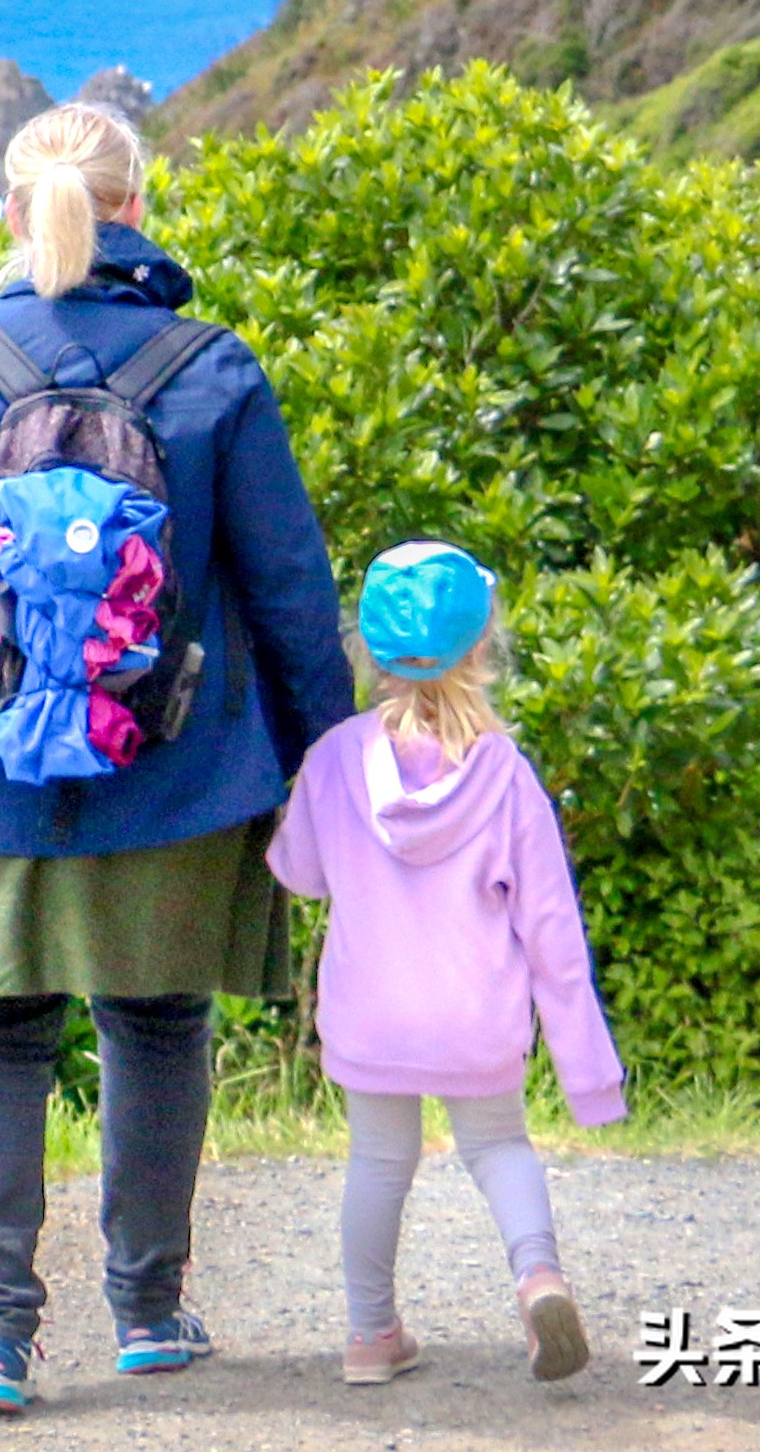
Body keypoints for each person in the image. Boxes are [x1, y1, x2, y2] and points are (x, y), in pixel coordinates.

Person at [0, 101, 351, 1416]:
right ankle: (146, 1305)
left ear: (10, 212)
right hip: (171, 769)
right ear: (137, 203)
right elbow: (287, 585)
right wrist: (322, 761)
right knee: (155, 1017)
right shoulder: (212, 370)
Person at [268, 541, 626, 1387]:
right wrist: (589, 1076)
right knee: (499, 1146)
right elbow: (551, 934)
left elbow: (300, 874)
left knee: (377, 1163)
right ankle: (537, 1278)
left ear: (367, 651)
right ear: (481, 646)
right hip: (474, 1018)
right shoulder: (504, 776)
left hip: (371, 1014)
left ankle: (368, 1336)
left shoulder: (334, 761)